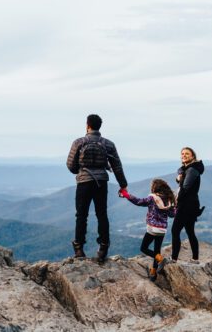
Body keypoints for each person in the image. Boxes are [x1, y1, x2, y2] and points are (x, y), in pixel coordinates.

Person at [67, 114, 128, 262]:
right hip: (101, 182)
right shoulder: (108, 144)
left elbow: (70, 165)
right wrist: (123, 185)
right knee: (102, 214)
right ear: (100, 126)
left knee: (81, 215)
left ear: (87, 125)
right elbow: (117, 166)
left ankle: (79, 248)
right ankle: (103, 246)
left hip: (83, 182)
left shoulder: (79, 142)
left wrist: (80, 172)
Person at [119, 179, 176, 281]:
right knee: (157, 250)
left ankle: (161, 259)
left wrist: (126, 194)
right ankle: (153, 273)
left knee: (144, 248)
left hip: (152, 228)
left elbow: (138, 201)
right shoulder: (168, 200)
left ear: (155, 188)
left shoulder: (152, 198)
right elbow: (172, 215)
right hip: (162, 230)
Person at [171, 147, 204, 263]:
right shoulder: (189, 169)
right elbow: (181, 173)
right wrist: (178, 177)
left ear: (192, 156)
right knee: (190, 231)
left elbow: (185, 187)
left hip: (186, 205)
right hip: (192, 203)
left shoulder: (191, 170)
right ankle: (195, 258)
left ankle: (174, 259)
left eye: (187, 154)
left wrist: (175, 201)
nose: (184, 155)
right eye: (182, 154)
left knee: (175, 231)